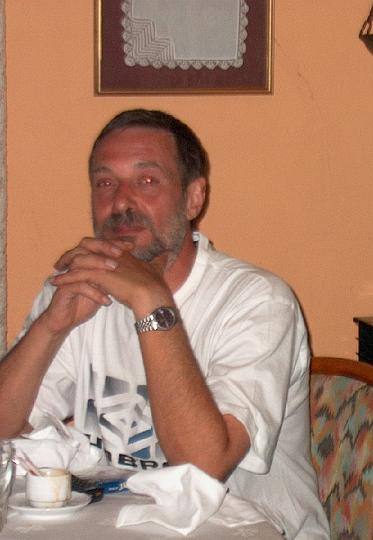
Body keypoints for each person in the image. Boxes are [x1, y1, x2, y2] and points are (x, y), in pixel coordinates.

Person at [0, 109, 330, 538]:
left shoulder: (257, 301)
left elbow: (204, 466)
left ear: (194, 198)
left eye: (147, 180)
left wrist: (150, 301)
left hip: (249, 528)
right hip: (118, 526)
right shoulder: (77, 288)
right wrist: (51, 325)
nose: (121, 202)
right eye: (105, 183)